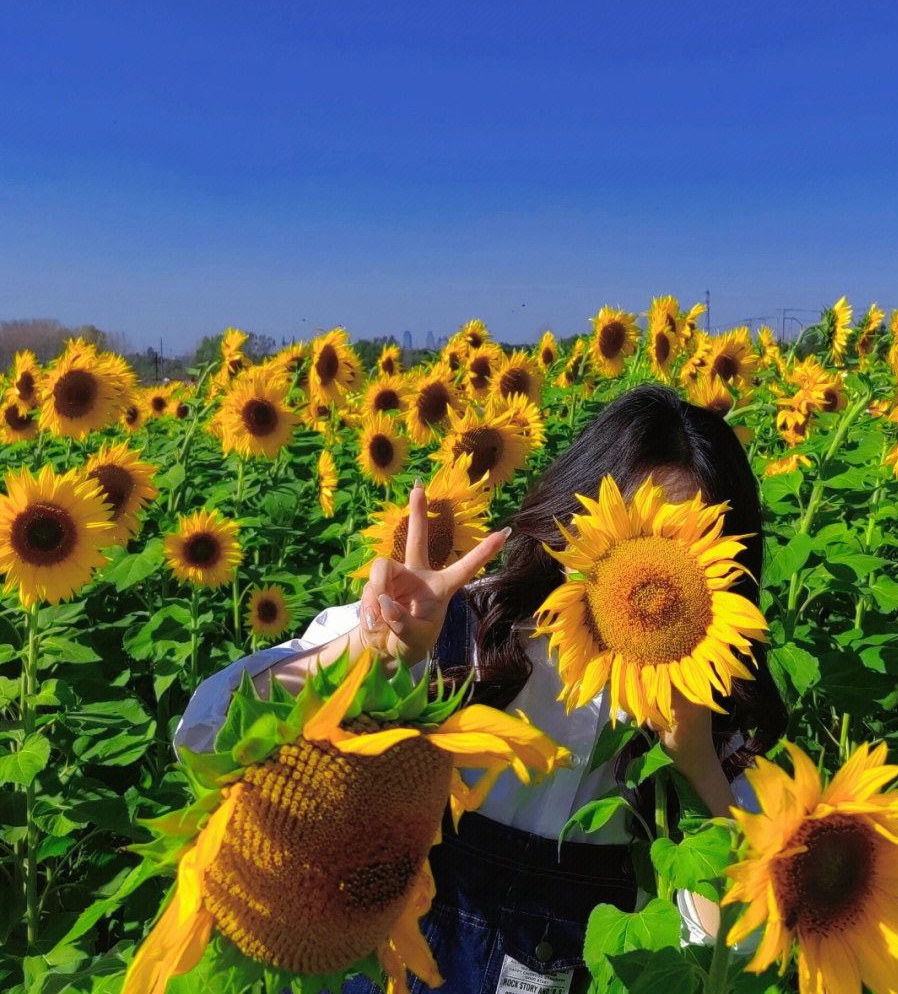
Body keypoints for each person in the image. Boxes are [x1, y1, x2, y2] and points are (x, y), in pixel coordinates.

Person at [174, 384, 787, 994]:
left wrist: (698, 765)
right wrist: (370, 653)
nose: (655, 588)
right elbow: (207, 733)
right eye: (636, 542)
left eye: (693, 559)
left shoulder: (715, 716)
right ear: (580, 523)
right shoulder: (462, 633)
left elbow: (731, 951)